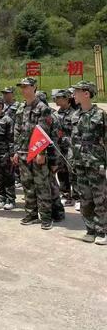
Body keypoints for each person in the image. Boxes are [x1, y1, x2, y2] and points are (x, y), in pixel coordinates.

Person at [13, 77, 58, 230]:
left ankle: (46, 217)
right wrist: (16, 151)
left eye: (26, 87)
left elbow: (43, 131)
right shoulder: (21, 108)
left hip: (37, 152)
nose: (24, 90)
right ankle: (31, 214)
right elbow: (17, 131)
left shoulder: (42, 108)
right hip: (24, 152)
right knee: (27, 185)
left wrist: (42, 152)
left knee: (42, 185)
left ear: (34, 88)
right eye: (22, 87)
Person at [69, 81, 107, 245]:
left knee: (100, 199)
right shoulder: (75, 115)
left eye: (76, 92)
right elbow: (72, 140)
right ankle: (90, 229)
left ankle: (102, 231)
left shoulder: (100, 115)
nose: (73, 95)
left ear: (86, 94)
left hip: (95, 163)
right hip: (80, 164)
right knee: (85, 199)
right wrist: (71, 160)